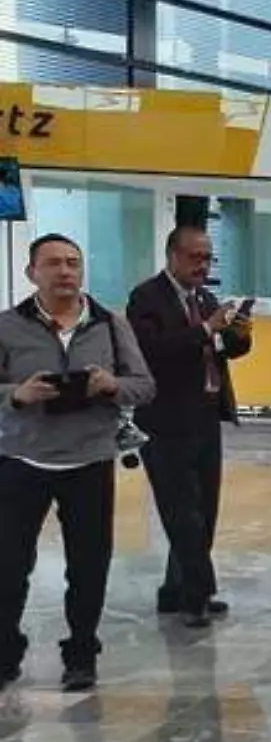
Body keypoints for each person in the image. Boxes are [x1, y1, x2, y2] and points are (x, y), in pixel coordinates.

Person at [0, 234, 155, 691]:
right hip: (20, 461)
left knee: (88, 566)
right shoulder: (7, 326)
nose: (65, 272)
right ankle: (6, 651)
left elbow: (144, 386)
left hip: (89, 462)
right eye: (53, 264)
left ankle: (82, 653)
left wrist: (110, 386)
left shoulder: (109, 324)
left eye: (73, 263)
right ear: (32, 273)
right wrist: (16, 395)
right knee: (8, 566)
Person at [127, 225, 253, 629]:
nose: (203, 266)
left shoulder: (205, 298)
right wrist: (206, 329)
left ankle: (175, 590)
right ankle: (197, 595)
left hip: (204, 415)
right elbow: (151, 353)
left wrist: (238, 336)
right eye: (195, 257)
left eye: (208, 258)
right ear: (172, 256)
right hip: (164, 421)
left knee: (205, 508)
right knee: (182, 512)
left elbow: (218, 350)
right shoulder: (147, 298)